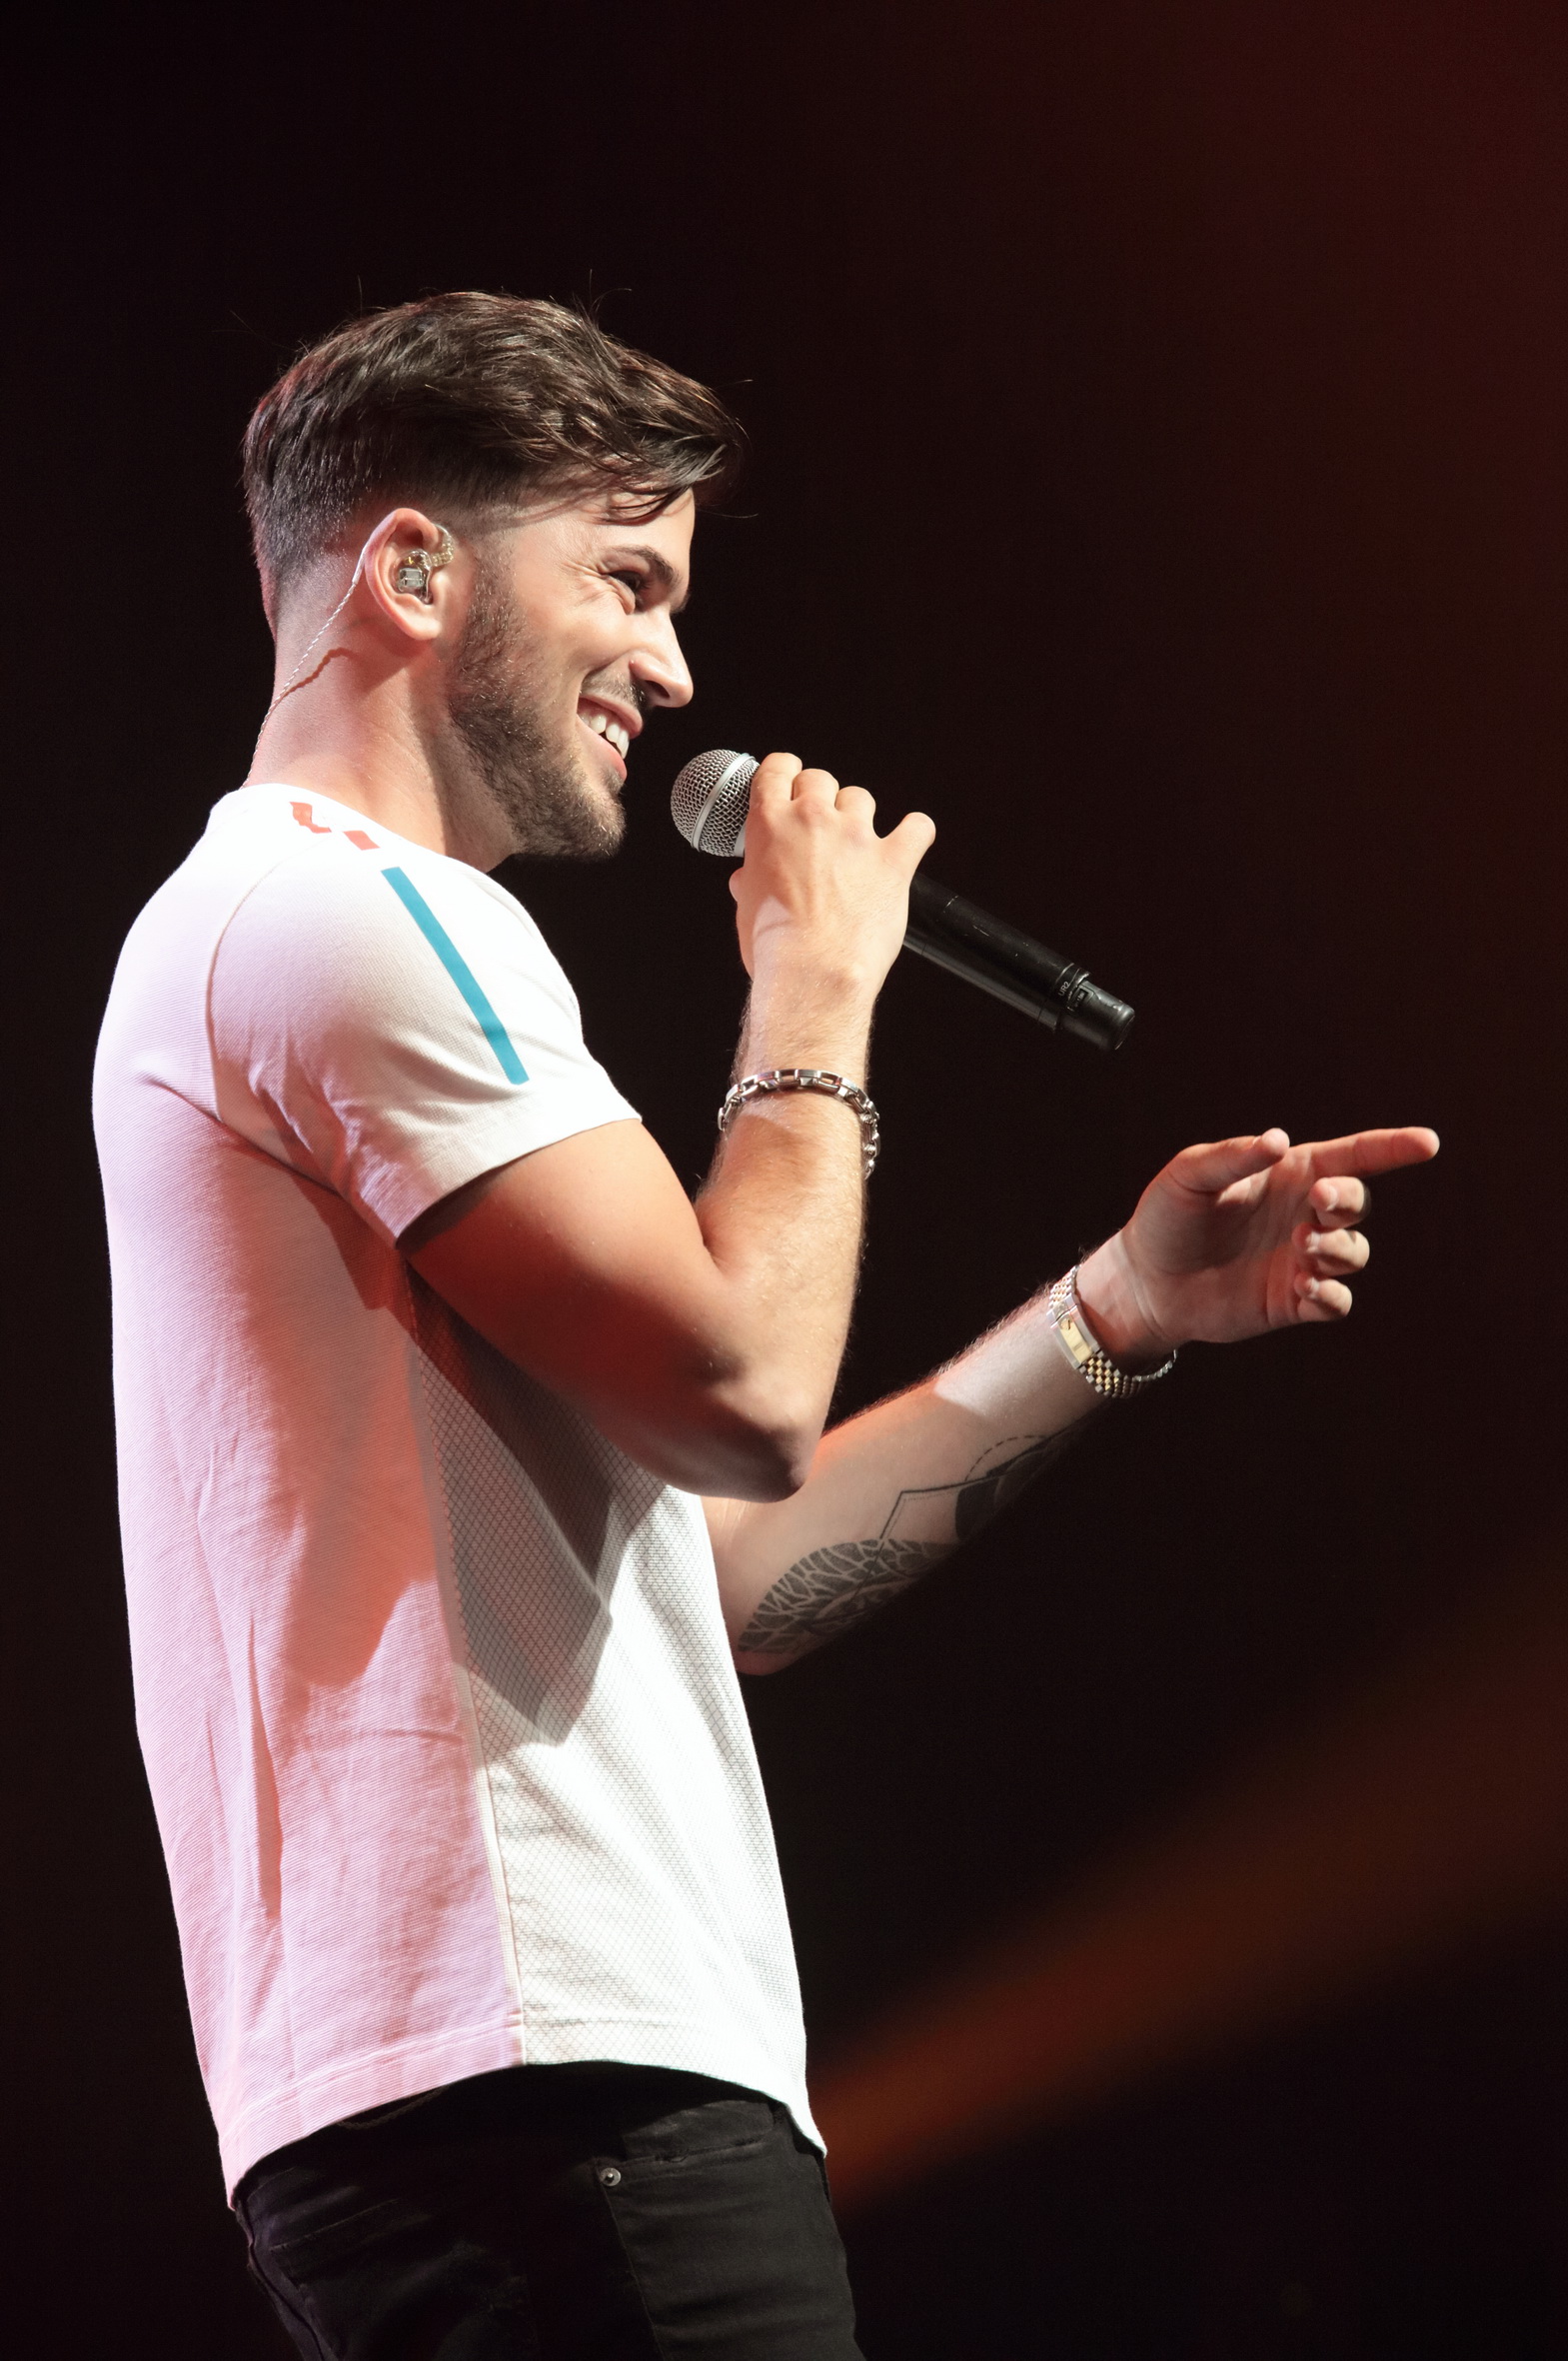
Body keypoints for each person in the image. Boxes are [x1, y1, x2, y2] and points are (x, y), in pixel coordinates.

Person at [93, 292, 1437, 2359]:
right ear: (416, 571)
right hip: (556, 2088)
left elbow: (726, 1567)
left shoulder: (262, 930)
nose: (675, 668)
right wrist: (815, 982)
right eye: (624, 579)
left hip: (489, 2096)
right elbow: (742, 1388)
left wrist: (1120, 1306)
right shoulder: (350, 912)